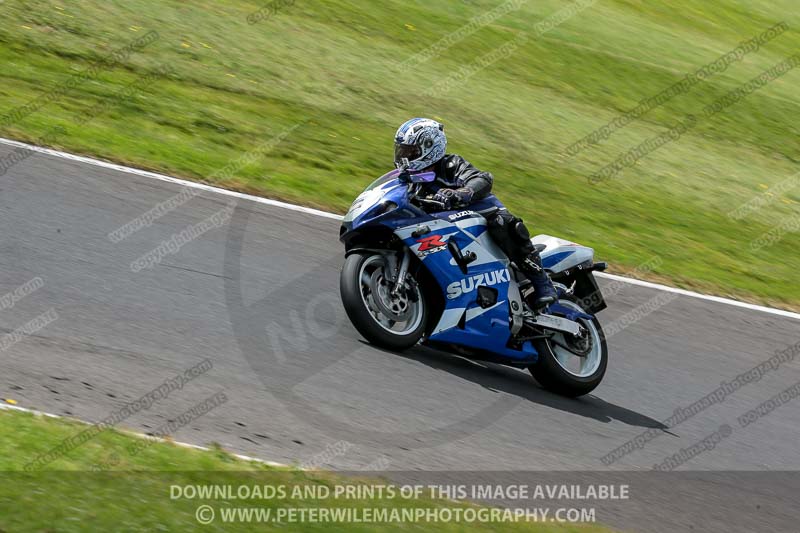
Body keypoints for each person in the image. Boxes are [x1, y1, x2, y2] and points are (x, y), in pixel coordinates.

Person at [393, 117, 557, 307]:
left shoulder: (451, 165)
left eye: (411, 151)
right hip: (446, 231)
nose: (404, 157)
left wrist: (461, 193)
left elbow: (482, 179)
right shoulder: (411, 180)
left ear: (430, 147)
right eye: (402, 151)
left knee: (502, 223)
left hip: (481, 218)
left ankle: (543, 283)